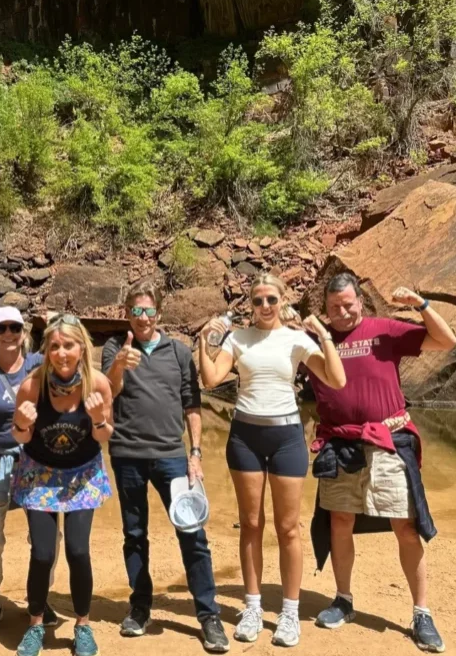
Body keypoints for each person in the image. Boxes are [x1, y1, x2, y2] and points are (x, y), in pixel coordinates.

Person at [307, 273, 456, 653]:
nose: (342, 313)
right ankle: (344, 599)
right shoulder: (314, 341)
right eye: (334, 307)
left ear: (361, 301)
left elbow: (445, 340)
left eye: (348, 304)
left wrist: (420, 306)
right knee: (339, 521)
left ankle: (421, 612)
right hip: (339, 443)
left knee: (405, 526)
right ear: (324, 309)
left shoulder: (383, 330)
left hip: (388, 439)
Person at [198, 274, 346, 648]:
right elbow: (212, 378)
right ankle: (252, 606)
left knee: (288, 527)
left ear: (283, 300)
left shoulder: (296, 340)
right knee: (250, 523)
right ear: (251, 304)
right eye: (258, 301)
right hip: (245, 436)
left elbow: (336, 379)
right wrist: (204, 341)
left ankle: (290, 611)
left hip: (286, 438)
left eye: (271, 300)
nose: (265, 307)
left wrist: (322, 335)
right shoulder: (238, 339)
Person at [102, 279, 229, 653]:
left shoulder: (178, 352)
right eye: (135, 311)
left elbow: (192, 405)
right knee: (134, 533)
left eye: (148, 310)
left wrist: (196, 454)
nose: (142, 318)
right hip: (127, 455)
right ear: (127, 313)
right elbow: (107, 392)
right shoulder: (115, 347)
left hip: (173, 456)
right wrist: (121, 366)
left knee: (192, 534)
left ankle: (208, 615)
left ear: (159, 313)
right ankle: (140, 607)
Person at [10, 314, 114, 656]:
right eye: (54, 346)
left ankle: (82, 624)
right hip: (39, 473)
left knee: (78, 551)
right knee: (42, 553)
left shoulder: (98, 383)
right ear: (47, 350)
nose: (62, 352)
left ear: (81, 346)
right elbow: (19, 436)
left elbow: (102, 437)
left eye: (68, 345)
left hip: (82, 474)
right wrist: (23, 425)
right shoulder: (32, 385)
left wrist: (99, 418)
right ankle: (36, 624)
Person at [0, 306, 61, 636]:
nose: (9, 334)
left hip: (35, 462)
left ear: (24, 334)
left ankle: (40, 598)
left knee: (48, 537)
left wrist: (54, 326)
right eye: (1, 328)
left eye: (15, 328)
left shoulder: (37, 364)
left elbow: (70, 363)